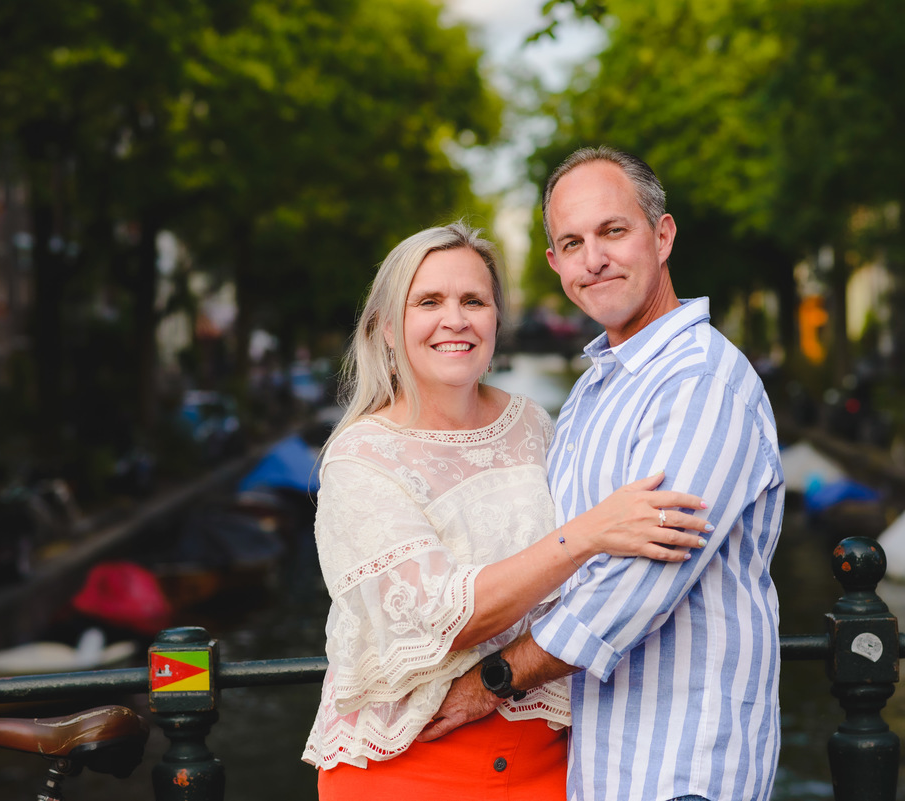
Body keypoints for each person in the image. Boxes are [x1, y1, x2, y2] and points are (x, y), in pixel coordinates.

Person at [419, 148, 785, 801]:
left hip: (682, 768)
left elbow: (636, 587)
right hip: (597, 767)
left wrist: (493, 679)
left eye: (613, 231)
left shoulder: (697, 382)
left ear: (662, 235)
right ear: (555, 263)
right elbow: (560, 559)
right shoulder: (594, 393)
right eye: (572, 242)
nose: (594, 259)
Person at [302, 222, 713, 800]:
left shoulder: (531, 423)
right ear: (387, 331)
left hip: (549, 755)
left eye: (474, 300)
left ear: (496, 320)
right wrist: (589, 534)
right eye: (428, 302)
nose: (456, 319)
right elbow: (446, 619)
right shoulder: (361, 458)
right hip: (414, 760)